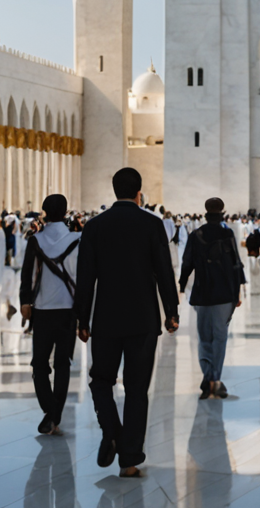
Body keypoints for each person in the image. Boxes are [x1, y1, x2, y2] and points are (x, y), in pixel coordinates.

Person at [72, 168, 179, 477]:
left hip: (106, 318)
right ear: (139, 193)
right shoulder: (152, 224)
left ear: (115, 190)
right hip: (143, 320)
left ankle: (111, 430)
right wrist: (171, 310)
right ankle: (129, 459)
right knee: (136, 388)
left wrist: (82, 318)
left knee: (101, 379)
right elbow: (164, 270)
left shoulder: (95, 226)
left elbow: (85, 276)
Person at [16, 195, 80, 436]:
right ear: (65, 212)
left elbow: (27, 274)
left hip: (42, 310)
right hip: (68, 310)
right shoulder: (77, 240)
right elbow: (83, 277)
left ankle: (49, 410)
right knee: (63, 364)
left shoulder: (36, 240)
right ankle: (55, 415)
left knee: (39, 364)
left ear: (44, 212)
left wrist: (25, 302)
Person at [177, 197, 244, 399]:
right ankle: (215, 378)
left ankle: (208, 378)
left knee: (205, 338)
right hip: (224, 293)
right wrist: (237, 292)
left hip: (203, 292)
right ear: (222, 213)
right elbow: (236, 263)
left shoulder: (196, 235)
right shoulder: (227, 234)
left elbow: (187, 263)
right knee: (220, 338)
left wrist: (181, 285)